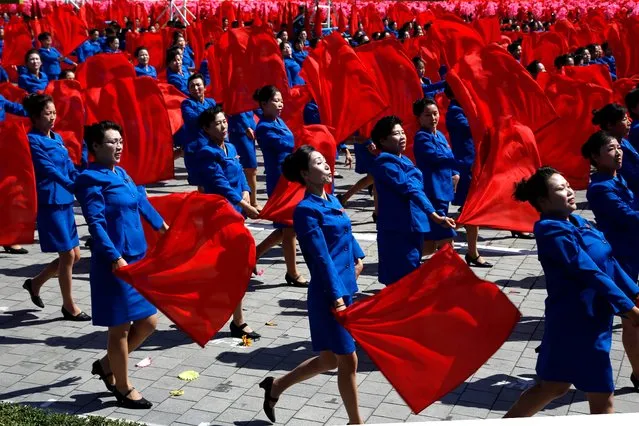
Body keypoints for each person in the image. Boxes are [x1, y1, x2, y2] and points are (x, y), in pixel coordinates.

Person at [506, 167, 639, 417]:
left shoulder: (576, 220)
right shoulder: (551, 231)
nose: (568, 191)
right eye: (560, 189)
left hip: (591, 319)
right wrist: (628, 308)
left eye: (568, 185)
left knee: (554, 386)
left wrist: (634, 292)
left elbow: (608, 261)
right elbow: (588, 271)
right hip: (576, 324)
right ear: (543, 201)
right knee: (600, 396)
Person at [259, 145, 364, 425]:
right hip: (329, 294)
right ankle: (356, 422)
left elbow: (344, 231)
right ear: (306, 174)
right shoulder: (306, 210)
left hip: (346, 288)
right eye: (319, 162)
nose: (327, 164)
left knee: (330, 360)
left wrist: (359, 256)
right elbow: (320, 258)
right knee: (349, 360)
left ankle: (276, 386)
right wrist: (337, 298)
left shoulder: (330, 199)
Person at [76, 121, 167, 409]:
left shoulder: (123, 173)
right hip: (114, 262)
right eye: (112, 142)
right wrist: (114, 256)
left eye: (120, 141)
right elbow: (96, 223)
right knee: (120, 328)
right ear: (94, 147)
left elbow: (141, 201)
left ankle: (106, 365)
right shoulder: (90, 179)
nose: (119, 147)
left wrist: (162, 226)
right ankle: (124, 387)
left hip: (136, 257)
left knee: (149, 321)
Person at [185, 107, 261, 338]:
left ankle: (232, 318)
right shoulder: (206, 153)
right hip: (219, 217)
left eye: (224, 122)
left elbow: (239, 176)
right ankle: (231, 319)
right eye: (217, 124)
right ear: (206, 129)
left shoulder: (231, 147)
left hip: (236, 214)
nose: (223, 126)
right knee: (231, 268)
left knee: (233, 268)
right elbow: (220, 184)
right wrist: (245, 204)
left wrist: (247, 192)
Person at [21, 94, 88, 320]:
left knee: (75, 255)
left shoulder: (56, 137)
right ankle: (69, 306)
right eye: (47, 114)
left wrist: (81, 180)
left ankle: (35, 283)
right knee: (67, 255)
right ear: (35, 117)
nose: (52, 118)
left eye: (53, 113)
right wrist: (71, 183)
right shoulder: (33, 140)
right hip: (50, 200)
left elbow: (68, 164)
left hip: (65, 199)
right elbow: (48, 168)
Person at [582, 130, 639, 388]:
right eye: (611, 149)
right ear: (595, 157)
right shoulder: (601, 188)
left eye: (618, 147)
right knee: (630, 317)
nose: (618, 153)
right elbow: (629, 217)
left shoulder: (617, 178)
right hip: (620, 260)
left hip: (632, 253)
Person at [370, 115, 455, 285]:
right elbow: (411, 189)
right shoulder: (385, 164)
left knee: (411, 272)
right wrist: (435, 216)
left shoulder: (405, 160)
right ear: (383, 140)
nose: (402, 137)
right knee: (401, 278)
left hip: (413, 225)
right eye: (396, 134)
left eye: (402, 132)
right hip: (398, 229)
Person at [253, 85, 307, 286]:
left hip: (291, 179)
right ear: (264, 104)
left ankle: (255, 253)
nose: (280, 104)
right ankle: (292, 273)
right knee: (289, 228)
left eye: (281, 100)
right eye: (276, 100)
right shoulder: (264, 127)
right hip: (280, 180)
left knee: (287, 228)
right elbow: (286, 144)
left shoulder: (278, 121)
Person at [444, 85, 496, 266]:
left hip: (474, 165)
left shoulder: (466, 109)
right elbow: (476, 127)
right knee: (471, 210)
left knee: (472, 209)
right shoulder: (455, 111)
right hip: (465, 167)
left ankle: (470, 251)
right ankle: (441, 239)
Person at [412, 98, 459, 257]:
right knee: (446, 237)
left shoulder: (440, 135)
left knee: (430, 244)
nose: (433, 118)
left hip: (444, 191)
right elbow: (439, 157)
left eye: (435, 113)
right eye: (427, 115)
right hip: (432, 192)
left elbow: (449, 155)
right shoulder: (421, 137)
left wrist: (455, 173)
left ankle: (409, 262)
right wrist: (463, 163)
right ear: (418, 118)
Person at [591, 104, 639, 196]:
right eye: (624, 119)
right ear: (609, 125)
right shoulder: (606, 147)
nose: (629, 122)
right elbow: (630, 177)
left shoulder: (624, 141)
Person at [228, 110, 260, 210]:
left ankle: (252, 200)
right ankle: (251, 202)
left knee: (251, 168)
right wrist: (246, 126)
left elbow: (254, 105)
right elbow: (238, 109)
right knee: (249, 167)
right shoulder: (236, 93)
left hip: (250, 128)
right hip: (240, 130)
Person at [177, 73, 216, 153]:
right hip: (197, 146)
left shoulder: (211, 102)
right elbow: (192, 119)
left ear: (205, 87)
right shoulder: (187, 103)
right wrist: (211, 117)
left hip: (213, 143)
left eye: (198, 85)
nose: (195, 88)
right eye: (192, 86)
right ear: (189, 90)